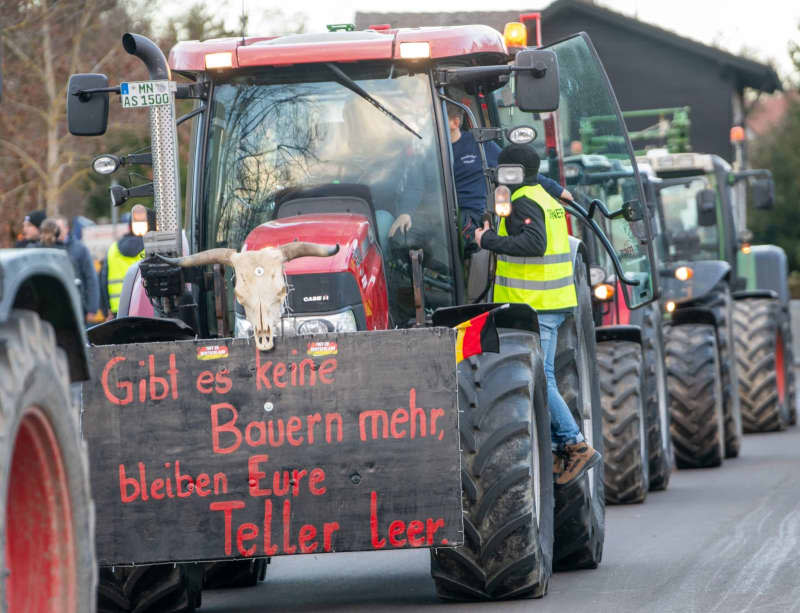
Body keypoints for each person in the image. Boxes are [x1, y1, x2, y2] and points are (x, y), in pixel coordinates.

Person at [475, 143, 601, 487]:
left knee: (542, 377)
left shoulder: (524, 201)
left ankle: (574, 445)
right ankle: (566, 444)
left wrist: (487, 240)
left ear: (512, 172)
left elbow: (535, 244)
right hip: (550, 302)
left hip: (539, 305)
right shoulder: (542, 194)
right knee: (541, 375)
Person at [445, 102, 571, 250]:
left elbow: (517, 170)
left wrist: (556, 190)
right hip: (438, 211)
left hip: (468, 216)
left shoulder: (477, 145)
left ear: (455, 123)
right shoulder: (428, 150)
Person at [55, 215, 100, 323]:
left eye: (59, 229)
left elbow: (91, 278)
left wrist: (92, 309)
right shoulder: (51, 248)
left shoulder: (80, 249)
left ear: (67, 229)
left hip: (79, 307)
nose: (57, 233)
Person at [99, 213, 145, 317]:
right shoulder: (149, 248)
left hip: (118, 309)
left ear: (128, 227)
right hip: (143, 306)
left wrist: (107, 308)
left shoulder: (112, 249)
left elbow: (103, 280)